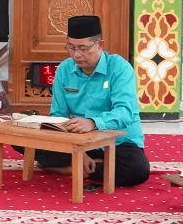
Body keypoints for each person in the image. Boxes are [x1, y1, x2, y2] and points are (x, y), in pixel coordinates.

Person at [27, 16, 149, 188]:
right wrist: (78, 151)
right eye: (71, 48)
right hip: (78, 141)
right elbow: (58, 116)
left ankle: (72, 168)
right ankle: (90, 165)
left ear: (100, 45)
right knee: (22, 141)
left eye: (83, 49)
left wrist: (93, 122)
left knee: (137, 169)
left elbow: (125, 112)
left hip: (117, 143)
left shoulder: (120, 68)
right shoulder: (64, 69)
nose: (76, 55)